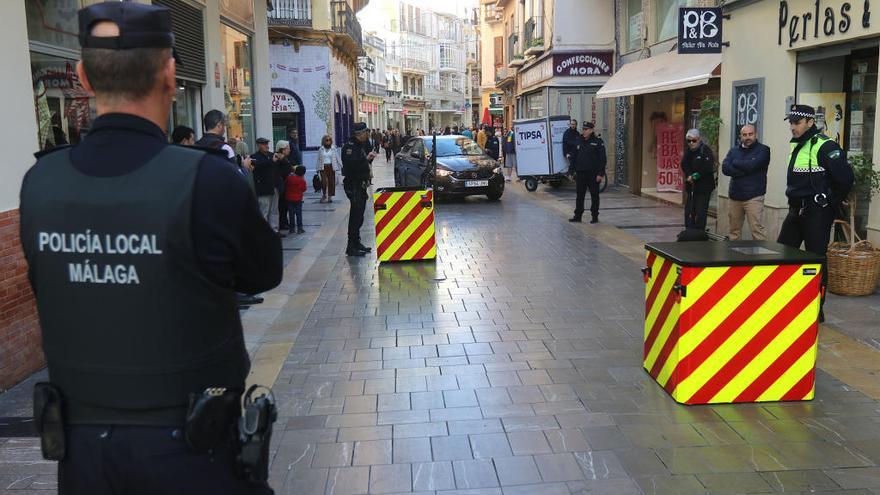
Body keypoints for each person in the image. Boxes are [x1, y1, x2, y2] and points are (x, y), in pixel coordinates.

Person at [18, 3, 281, 493]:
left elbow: (46, 284)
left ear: (83, 77)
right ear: (170, 75)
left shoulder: (39, 183)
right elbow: (264, 272)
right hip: (192, 453)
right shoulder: (207, 180)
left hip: (84, 455)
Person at [778, 104, 854, 320]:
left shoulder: (825, 146)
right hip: (795, 210)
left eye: (797, 122)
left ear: (810, 122)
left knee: (816, 259)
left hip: (816, 212)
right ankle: (783, 301)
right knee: (782, 255)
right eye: (791, 122)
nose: (792, 126)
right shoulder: (797, 145)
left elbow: (845, 179)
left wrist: (830, 202)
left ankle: (816, 308)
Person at [722, 124, 770, 240]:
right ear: (740, 136)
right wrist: (746, 169)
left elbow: (753, 166)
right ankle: (734, 257)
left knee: (757, 230)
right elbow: (725, 168)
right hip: (735, 196)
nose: (747, 137)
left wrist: (736, 163)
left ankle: (762, 256)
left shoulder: (763, 150)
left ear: (756, 135)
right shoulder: (733, 151)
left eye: (750, 134)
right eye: (744, 135)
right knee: (734, 231)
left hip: (754, 197)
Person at [341, 122, 375, 256]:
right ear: (359, 134)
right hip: (353, 185)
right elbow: (352, 166)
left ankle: (356, 242)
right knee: (355, 216)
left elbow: (362, 163)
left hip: (359, 185)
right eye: (365, 132)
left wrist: (368, 160)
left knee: (359, 216)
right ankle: (351, 246)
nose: (367, 135)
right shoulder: (350, 147)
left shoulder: (358, 145)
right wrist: (366, 159)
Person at [569, 122, 606, 224]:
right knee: (579, 196)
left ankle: (594, 216)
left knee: (594, 196)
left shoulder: (598, 142)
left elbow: (602, 159)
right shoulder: (578, 141)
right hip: (580, 173)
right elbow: (573, 158)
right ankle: (577, 216)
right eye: (583, 129)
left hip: (593, 174)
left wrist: (600, 174)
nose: (584, 131)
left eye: (586, 129)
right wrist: (571, 172)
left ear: (591, 130)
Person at [680, 129, 716, 231]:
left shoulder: (705, 150)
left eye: (694, 140)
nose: (691, 143)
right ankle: (689, 231)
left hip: (704, 188)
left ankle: (699, 232)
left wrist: (696, 176)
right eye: (689, 141)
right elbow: (684, 164)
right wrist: (689, 175)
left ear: (699, 139)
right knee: (689, 211)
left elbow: (708, 167)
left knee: (701, 212)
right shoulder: (689, 151)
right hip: (692, 187)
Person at [251, 137, 283, 235]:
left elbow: (279, 169)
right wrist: (271, 161)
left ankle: (274, 230)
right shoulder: (255, 156)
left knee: (274, 210)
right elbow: (258, 165)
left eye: (267, 144)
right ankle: (263, 232)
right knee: (264, 210)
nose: (266, 146)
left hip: (274, 187)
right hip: (263, 188)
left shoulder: (272, 155)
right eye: (264, 144)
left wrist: (282, 159)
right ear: (258, 145)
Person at [317, 134, 342, 203]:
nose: (328, 141)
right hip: (323, 167)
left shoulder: (333, 148)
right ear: (324, 141)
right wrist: (317, 169)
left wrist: (342, 166)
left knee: (331, 182)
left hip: (331, 166)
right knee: (324, 182)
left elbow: (337, 158)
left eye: (329, 140)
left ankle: (330, 196)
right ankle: (324, 194)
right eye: (327, 140)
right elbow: (318, 159)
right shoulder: (321, 149)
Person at [274, 140, 293, 231]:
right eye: (287, 148)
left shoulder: (284, 158)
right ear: (282, 149)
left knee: (285, 206)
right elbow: (283, 171)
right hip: (281, 185)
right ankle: (282, 223)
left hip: (285, 185)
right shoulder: (279, 158)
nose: (289, 150)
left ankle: (284, 222)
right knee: (281, 206)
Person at [285, 165, 307, 234]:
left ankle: (292, 228)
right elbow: (304, 189)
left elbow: (286, 184)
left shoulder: (289, 178)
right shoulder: (302, 180)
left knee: (291, 214)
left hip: (289, 198)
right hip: (298, 199)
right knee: (298, 214)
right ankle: (300, 228)